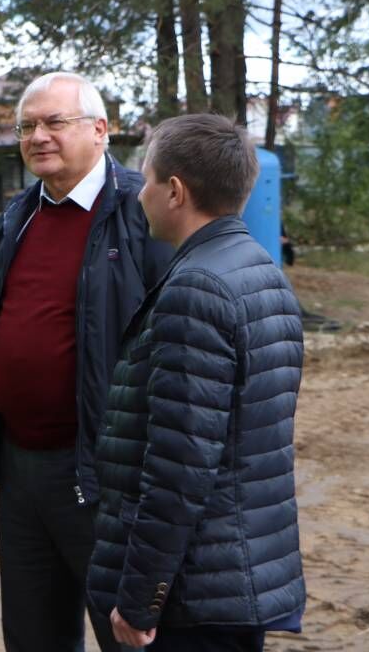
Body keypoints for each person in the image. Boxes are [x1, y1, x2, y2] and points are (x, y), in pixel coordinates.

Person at [0, 72, 172, 652]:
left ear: (100, 130)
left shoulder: (142, 212)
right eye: (27, 125)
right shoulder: (15, 218)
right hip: (21, 471)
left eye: (54, 122)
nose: (37, 136)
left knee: (125, 635)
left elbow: (171, 342)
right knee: (33, 636)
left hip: (106, 474)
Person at [86, 113, 306, 652]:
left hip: (194, 601)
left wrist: (141, 598)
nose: (139, 197)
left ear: (175, 191)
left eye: (148, 180)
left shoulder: (197, 289)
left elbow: (178, 470)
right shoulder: (259, 271)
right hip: (232, 580)